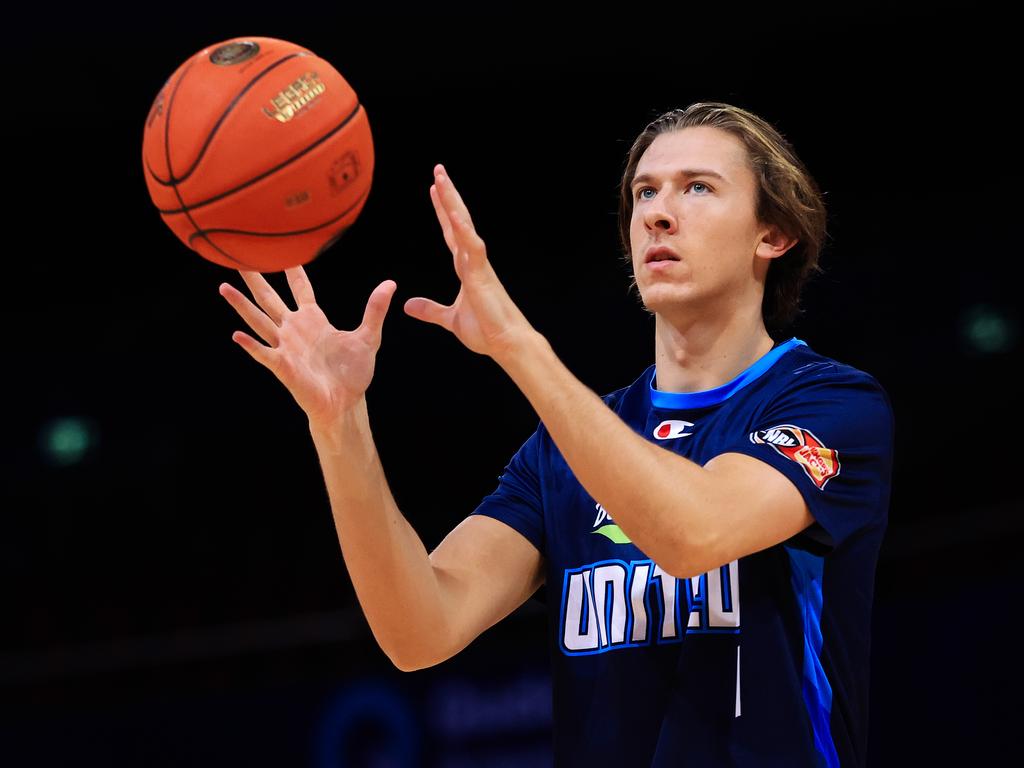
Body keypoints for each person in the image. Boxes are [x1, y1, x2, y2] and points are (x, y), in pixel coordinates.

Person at [217, 102, 894, 767]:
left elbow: (695, 534)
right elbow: (419, 629)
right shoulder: (563, 448)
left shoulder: (830, 404)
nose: (657, 212)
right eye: (644, 192)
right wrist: (339, 424)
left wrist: (517, 346)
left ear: (772, 234)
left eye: (697, 188)